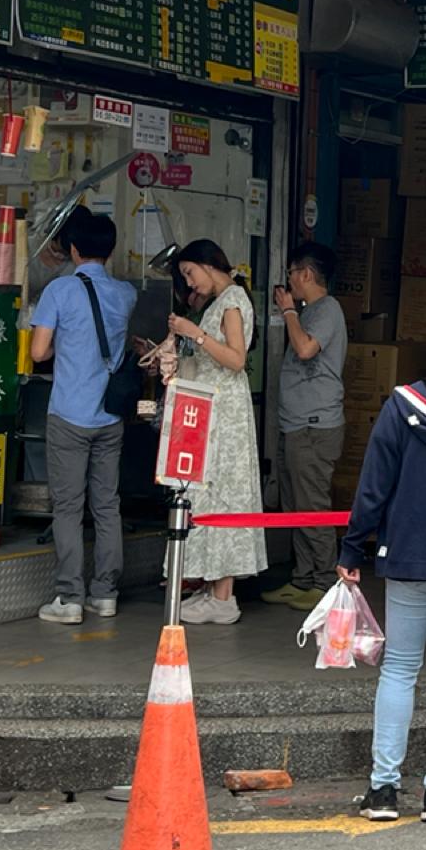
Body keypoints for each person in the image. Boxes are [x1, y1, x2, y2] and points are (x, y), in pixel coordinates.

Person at [337, 308, 426, 825]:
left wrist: (352, 549)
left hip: (407, 555)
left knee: (399, 669)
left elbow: (373, 485)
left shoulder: (402, 405)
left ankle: (383, 789)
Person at [31, 214, 138, 624]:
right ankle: (105, 594)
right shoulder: (125, 294)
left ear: (74, 250)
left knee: (68, 508)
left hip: (69, 414)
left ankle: (70, 597)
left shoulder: (59, 290)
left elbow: (39, 352)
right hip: (109, 416)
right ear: (110, 250)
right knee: (107, 505)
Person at [166, 240, 268, 625]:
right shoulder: (222, 301)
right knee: (211, 493)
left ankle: (223, 597)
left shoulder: (232, 301)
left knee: (224, 494)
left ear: (208, 265)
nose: (190, 282)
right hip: (213, 410)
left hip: (225, 412)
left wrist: (195, 334)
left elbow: (236, 358)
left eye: (190, 272)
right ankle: (214, 589)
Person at [265, 242, 349, 611]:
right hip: (296, 425)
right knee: (295, 507)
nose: (289, 282)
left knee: (312, 506)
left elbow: (305, 349)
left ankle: (325, 582)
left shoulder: (327, 309)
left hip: (315, 427)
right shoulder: (310, 311)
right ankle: (302, 579)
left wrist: (288, 311)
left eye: (292, 274)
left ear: (307, 274)